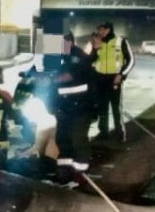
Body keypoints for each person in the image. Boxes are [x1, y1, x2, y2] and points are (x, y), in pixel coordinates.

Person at [54, 32, 96, 183]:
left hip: (81, 107)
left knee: (78, 139)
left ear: (70, 42)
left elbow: (68, 76)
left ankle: (81, 174)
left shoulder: (79, 57)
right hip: (63, 108)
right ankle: (64, 172)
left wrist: (51, 79)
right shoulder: (58, 57)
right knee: (62, 139)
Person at [89, 21, 134, 142]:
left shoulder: (121, 41)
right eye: (99, 30)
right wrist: (94, 48)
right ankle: (103, 132)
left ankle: (119, 134)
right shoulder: (96, 42)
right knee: (102, 108)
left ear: (109, 29)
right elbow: (90, 61)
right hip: (100, 79)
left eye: (102, 30)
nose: (99, 32)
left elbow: (131, 60)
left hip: (114, 79)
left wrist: (121, 75)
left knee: (116, 108)